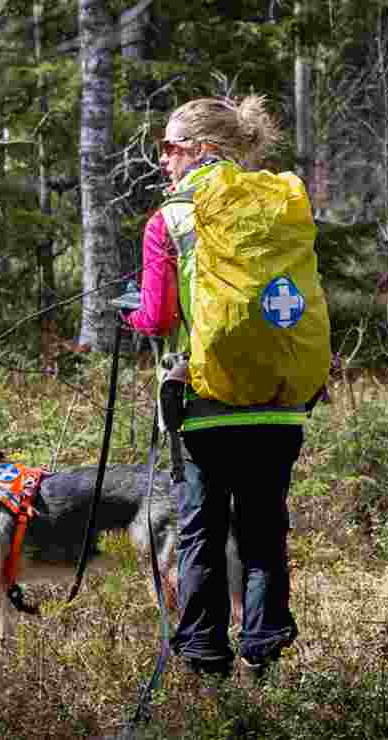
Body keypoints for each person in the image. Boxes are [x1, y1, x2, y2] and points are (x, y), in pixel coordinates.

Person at [124, 96, 313, 681]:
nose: (162, 160)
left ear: (202, 151)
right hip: (280, 405)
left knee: (201, 532)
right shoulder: (277, 207)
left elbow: (156, 319)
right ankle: (266, 656)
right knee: (264, 531)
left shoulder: (169, 220)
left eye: (170, 147)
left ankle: (205, 660)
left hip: (204, 403)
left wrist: (130, 314)